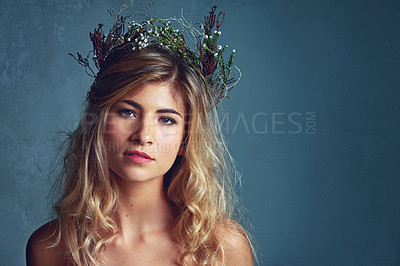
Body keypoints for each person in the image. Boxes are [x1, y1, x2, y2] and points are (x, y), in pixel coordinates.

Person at [26, 5, 255, 266]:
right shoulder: (50, 247)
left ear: (185, 140)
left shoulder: (223, 246)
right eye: (127, 112)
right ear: (97, 124)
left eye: (167, 120)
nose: (143, 135)